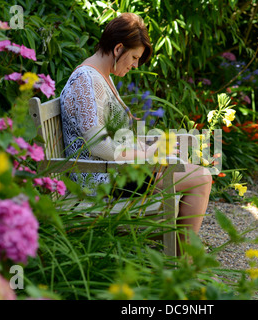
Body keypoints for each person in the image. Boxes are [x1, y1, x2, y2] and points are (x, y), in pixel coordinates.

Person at [59, 13, 212, 254]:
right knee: (201, 178)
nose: (135, 65)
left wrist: (152, 145)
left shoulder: (100, 77)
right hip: (97, 180)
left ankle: (181, 259)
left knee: (186, 163)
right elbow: (99, 146)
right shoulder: (86, 81)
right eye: (134, 57)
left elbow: (113, 136)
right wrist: (147, 153)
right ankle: (184, 265)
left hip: (110, 171)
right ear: (118, 48)